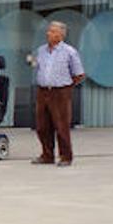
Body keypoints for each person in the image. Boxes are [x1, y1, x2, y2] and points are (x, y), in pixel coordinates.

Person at [31, 20, 84, 167]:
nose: (48, 33)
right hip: (43, 91)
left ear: (61, 35)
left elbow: (79, 74)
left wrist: (66, 87)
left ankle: (66, 156)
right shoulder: (41, 50)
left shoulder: (69, 51)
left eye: (53, 31)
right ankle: (47, 155)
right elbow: (37, 66)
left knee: (61, 126)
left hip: (60, 91)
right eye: (49, 31)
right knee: (42, 126)